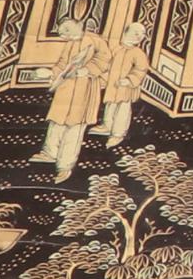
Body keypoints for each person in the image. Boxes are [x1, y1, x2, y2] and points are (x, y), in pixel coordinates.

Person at [38, 35, 106, 178]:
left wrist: (87, 70)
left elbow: (104, 60)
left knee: (74, 127)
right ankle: (49, 153)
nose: (63, 35)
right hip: (66, 88)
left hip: (84, 88)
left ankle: (65, 165)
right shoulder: (70, 43)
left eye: (66, 31)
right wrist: (52, 72)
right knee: (56, 121)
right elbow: (63, 64)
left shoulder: (95, 41)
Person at [94, 23, 149, 141]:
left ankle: (118, 133)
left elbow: (141, 70)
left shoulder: (139, 53)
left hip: (126, 88)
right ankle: (107, 126)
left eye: (142, 34)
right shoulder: (117, 49)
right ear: (125, 32)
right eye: (135, 32)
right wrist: (103, 77)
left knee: (122, 109)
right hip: (113, 85)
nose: (139, 36)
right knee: (110, 106)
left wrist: (129, 80)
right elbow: (108, 64)